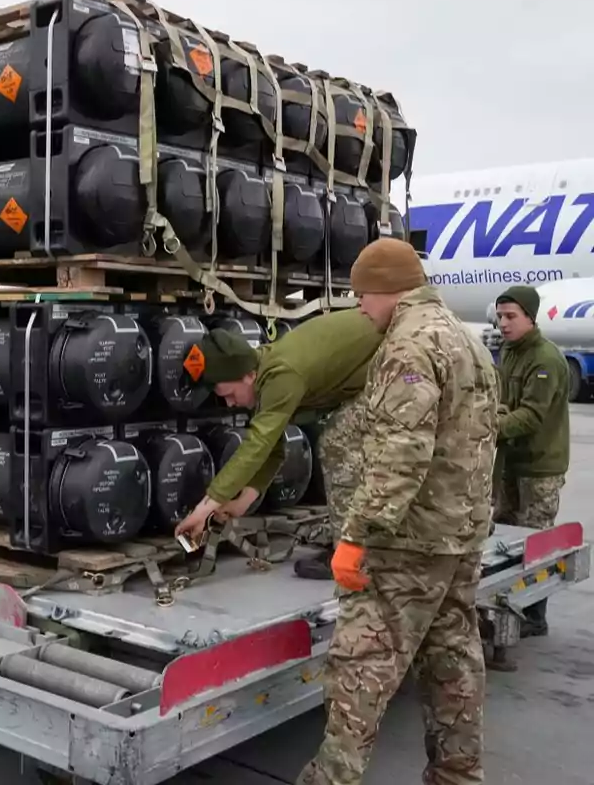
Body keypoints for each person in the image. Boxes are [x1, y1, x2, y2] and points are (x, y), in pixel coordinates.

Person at [295, 238, 499, 785]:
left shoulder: (410, 345)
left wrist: (357, 533)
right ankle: (458, 774)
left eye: (362, 295)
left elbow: (402, 450)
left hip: (409, 541)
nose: (360, 307)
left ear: (387, 290)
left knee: (360, 666)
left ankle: (332, 779)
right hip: (461, 533)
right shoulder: (467, 338)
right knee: (453, 659)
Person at [173, 309, 381, 579]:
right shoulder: (264, 374)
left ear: (247, 375)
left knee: (337, 444)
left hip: (396, 362)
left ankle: (353, 554)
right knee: (338, 439)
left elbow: (257, 445)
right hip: (374, 371)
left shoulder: (281, 375)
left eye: (228, 393)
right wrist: (240, 504)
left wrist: (204, 509)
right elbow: (271, 449)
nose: (229, 403)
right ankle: (358, 540)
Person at [490, 285, 570, 647]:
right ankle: (508, 607)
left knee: (535, 542)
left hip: (539, 467)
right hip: (511, 461)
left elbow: (532, 416)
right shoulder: (508, 352)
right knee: (506, 539)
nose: (503, 324)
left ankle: (534, 616)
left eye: (511, 317)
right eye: (500, 316)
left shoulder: (545, 358)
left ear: (530, 317)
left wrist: (487, 426)